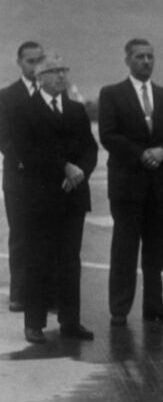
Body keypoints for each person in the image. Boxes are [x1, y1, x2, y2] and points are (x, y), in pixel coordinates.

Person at [11, 53, 98, 343]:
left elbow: (90, 148)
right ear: (40, 77)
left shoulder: (75, 110)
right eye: (54, 71)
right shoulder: (24, 110)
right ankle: (34, 323)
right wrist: (64, 166)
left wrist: (81, 171)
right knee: (38, 259)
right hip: (41, 197)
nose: (61, 76)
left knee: (70, 261)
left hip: (73, 195)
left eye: (64, 70)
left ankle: (70, 321)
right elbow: (27, 152)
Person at [98, 38, 163, 324]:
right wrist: (141, 154)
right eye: (139, 57)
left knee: (155, 250)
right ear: (128, 61)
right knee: (124, 248)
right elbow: (108, 135)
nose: (146, 61)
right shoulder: (112, 94)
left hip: (159, 186)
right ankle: (119, 309)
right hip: (127, 185)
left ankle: (154, 305)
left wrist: (162, 151)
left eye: (150, 56)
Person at [0, 41, 44, 312]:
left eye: (40, 60)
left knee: (48, 236)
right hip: (19, 178)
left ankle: (45, 294)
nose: (35, 66)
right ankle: (19, 294)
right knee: (21, 235)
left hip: (48, 179)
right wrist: (27, 163)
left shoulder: (52, 93)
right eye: (30, 61)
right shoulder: (6, 96)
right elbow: (3, 138)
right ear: (19, 62)